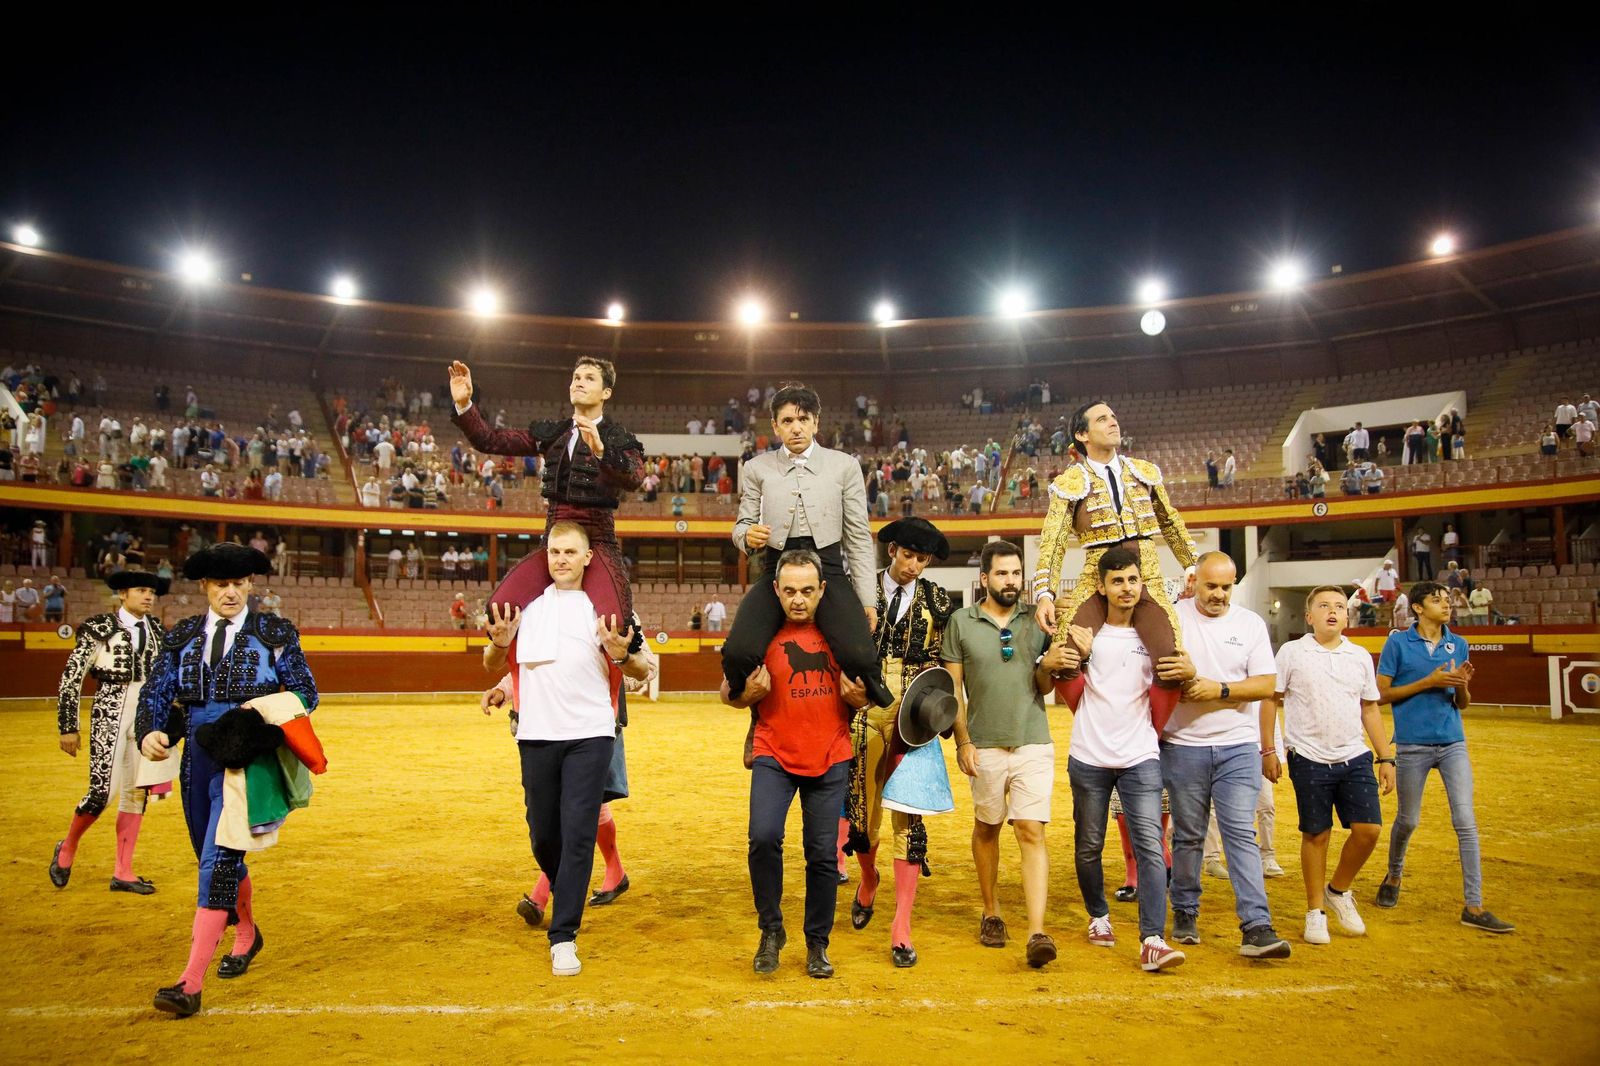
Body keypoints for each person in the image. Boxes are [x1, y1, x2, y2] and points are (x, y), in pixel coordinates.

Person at [135, 543, 320, 1016]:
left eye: (239, 584)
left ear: (251, 585)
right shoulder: (182, 637)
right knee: (208, 852)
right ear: (205, 588)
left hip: (245, 759)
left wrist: (257, 721)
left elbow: (305, 693)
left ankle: (189, 982)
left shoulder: (273, 633)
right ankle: (247, 930)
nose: (231, 592)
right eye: (221, 584)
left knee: (216, 860)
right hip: (197, 757)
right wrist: (153, 731)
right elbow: (158, 692)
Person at [480, 521, 637, 976]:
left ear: (589, 557)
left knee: (579, 833)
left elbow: (643, 668)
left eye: (570, 552)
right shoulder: (525, 608)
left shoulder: (609, 608)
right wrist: (499, 647)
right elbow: (499, 660)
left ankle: (564, 935)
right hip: (535, 735)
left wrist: (623, 654)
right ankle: (565, 881)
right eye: (554, 552)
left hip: (591, 734)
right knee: (543, 832)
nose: (561, 559)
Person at [723, 548, 869, 978]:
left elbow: (868, 690)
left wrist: (858, 700)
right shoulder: (760, 633)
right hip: (774, 752)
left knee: (822, 856)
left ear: (823, 589)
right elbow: (725, 693)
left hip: (830, 754)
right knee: (762, 839)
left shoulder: (841, 635)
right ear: (776, 590)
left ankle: (817, 943)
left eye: (807, 590)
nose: (799, 599)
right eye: (789, 591)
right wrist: (745, 697)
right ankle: (771, 930)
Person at [1053, 545, 1188, 972]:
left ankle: (1152, 938)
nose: (1126, 588)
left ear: (1141, 582)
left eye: (1132, 579)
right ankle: (1098, 916)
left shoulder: (1156, 638)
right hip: (1089, 755)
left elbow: (1170, 684)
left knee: (1151, 845)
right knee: (1089, 844)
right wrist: (1084, 652)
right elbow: (1064, 681)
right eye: (1117, 581)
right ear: (1102, 586)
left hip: (1140, 755)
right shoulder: (1085, 637)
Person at [945, 540, 1074, 968]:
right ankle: (992, 911)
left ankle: (1037, 931)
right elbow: (955, 693)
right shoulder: (960, 623)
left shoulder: (1038, 621)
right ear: (984, 579)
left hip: (1033, 739)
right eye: (1002, 573)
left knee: (1031, 831)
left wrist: (1048, 664)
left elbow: (1043, 687)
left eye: (1016, 573)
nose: (1011, 581)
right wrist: (963, 741)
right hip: (983, 744)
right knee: (987, 828)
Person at [724, 382, 893, 708]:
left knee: (860, 654)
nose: (796, 427)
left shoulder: (845, 466)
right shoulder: (757, 467)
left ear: (816, 422)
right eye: (787, 421)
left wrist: (867, 599)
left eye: (803, 419)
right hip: (776, 570)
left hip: (828, 568)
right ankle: (755, 714)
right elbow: (741, 525)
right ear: (775, 426)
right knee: (737, 651)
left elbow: (858, 536)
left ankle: (863, 715)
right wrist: (747, 537)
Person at [485, 609, 657, 929]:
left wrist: (615, 666)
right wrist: (504, 689)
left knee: (576, 810)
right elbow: (535, 665)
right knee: (586, 808)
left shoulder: (617, 607)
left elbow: (647, 666)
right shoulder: (544, 605)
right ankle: (615, 872)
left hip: (596, 728)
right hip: (551, 727)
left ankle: (541, 894)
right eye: (556, 553)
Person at [1160, 552, 1292, 959]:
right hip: (1182, 744)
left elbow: (1266, 684)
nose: (1218, 595)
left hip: (1238, 745)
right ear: (1194, 580)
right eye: (1211, 586)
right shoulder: (1171, 617)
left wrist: (1217, 690)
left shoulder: (1249, 623)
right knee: (1188, 835)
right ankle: (1184, 910)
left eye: (1226, 587)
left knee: (1240, 833)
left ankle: (1257, 924)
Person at [1034, 401, 1197, 726]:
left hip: (1147, 573)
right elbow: (1053, 540)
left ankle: (1148, 734)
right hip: (1097, 573)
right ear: (1082, 434)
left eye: (1113, 417)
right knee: (1064, 658)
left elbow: (1169, 519)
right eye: (1102, 419)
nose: (1113, 422)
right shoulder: (1069, 483)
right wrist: (1044, 593)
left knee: (1171, 664)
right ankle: (1099, 727)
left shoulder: (1143, 471)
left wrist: (1191, 563)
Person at [449, 358, 644, 628]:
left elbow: (635, 477)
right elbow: (490, 439)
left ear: (606, 392)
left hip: (598, 540)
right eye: (576, 377)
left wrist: (601, 450)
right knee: (499, 610)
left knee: (616, 623)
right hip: (554, 540)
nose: (579, 382)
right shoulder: (553, 433)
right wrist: (464, 404)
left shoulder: (617, 438)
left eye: (589, 378)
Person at [844, 517, 957, 968]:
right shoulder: (859, 589)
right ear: (892, 551)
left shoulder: (938, 600)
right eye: (908, 555)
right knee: (863, 815)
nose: (914, 566)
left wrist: (943, 715)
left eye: (922, 559)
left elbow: (944, 660)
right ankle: (868, 879)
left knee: (909, 817)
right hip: (863, 710)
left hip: (916, 710)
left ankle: (901, 926)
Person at [1374, 582, 1513, 933]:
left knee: (1465, 821)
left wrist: (1462, 685)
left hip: (1452, 741)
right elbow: (1380, 696)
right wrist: (1429, 681)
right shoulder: (1398, 642)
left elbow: (1461, 703)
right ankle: (1394, 874)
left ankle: (1474, 905)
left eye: (1447, 600)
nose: (1446, 605)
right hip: (1411, 743)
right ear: (1418, 608)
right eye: (1436, 600)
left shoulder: (1459, 643)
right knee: (1408, 820)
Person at [1262, 586, 1396, 946]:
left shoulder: (1359, 656)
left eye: (1339, 606)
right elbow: (1270, 700)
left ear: (1348, 616)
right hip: (1307, 755)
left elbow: (1370, 708)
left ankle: (1339, 889)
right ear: (1309, 617)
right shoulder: (1292, 652)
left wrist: (1385, 756)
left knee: (1369, 830)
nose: (1332, 612)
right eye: (1323, 606)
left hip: (1354, 754)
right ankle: (1315, 910)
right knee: (1316, 834)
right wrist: (1269, 750)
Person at [50, 570, 171, 895]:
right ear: (123, 594)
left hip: (147, 714)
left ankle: (123, 871)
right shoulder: (99, 628)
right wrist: (68, 726)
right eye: (141, 590)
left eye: (151, 592)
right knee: (102, 792)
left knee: (136, 792)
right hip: (110, 708)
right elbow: (71, 679)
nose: (148, 596)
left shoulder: (158, 630)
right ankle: (68, 846)